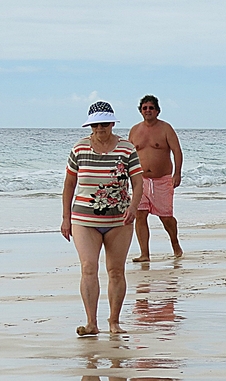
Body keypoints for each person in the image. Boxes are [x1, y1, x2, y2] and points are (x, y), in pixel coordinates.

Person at [61, 101, 144, 337]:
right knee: (88, 267)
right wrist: (66, 217)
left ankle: (114, 322)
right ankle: (91, 323)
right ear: (90, 125)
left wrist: (134, 208)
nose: (100, 128)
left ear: (112, 123)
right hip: (84, 219)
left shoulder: (126, 148)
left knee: (116, 270)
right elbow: (69, 184)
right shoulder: (79, 149)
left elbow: (138, 182)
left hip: (120, 219)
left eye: (105, 123)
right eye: (96, 124)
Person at [127, 95, 183, 262]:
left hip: (162, 179)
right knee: (140, 215)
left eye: (151, 108)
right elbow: (128, 155)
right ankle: (145, 254)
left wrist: (177, 173)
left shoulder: (166, 128)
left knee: (166, 217)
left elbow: (177, 151)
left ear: (157, 110)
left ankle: (175, 244)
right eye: (145, 108)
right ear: (140, 110)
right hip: (140, 180)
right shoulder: (134, 130)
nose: (148, 111)